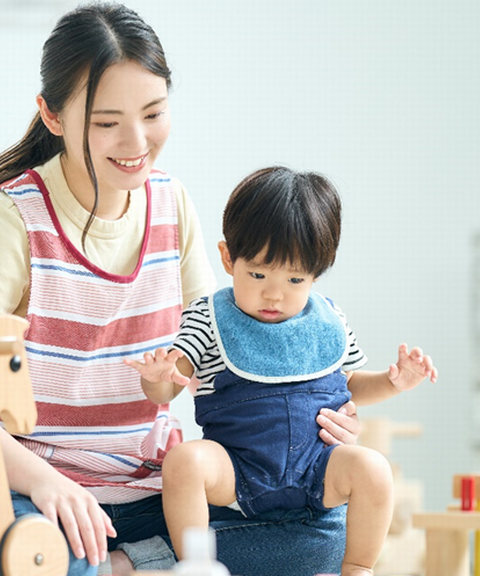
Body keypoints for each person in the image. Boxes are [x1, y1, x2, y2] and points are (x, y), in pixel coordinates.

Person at [0, 5, 363, 576]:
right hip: (21, 481)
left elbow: (223, 354)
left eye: (154, 113)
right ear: (52, 115)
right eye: (106, 122)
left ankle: (125, 565)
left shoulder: (171, 205)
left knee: (320, 536)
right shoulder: (11, 221)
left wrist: (316, 419)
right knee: (43, 552)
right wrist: (45, 483)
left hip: (143, 488)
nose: (136, 141)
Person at [125, 166, 439, 576]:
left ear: (315, 274)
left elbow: (351, 386)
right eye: (257, 274)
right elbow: (169, 386)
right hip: (237, 467)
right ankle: (197, 565)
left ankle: (358, 567)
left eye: (294, 279)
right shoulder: (208, 317)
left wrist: (394, 382)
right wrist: (156, 377)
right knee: (184, 461)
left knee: (374, 469)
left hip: (317, 468)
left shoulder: (329, 319)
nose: (274, 294)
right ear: (228, 258)